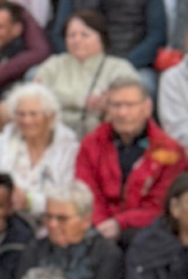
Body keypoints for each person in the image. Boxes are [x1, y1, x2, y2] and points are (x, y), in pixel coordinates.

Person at [11, 181, 124, 279]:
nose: (51, 224)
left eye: (61, 219)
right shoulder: (35, 248)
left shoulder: (106, 253)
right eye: (48, 217)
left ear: (85, 220)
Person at [78, 78, 185, 238]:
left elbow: (160, 204)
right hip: (95, 227)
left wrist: (120, 223)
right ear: (107, 108)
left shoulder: (170, 150)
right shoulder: (91, 144)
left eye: (130, 105)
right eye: (116, 105)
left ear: (146, 108)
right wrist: (101, 224)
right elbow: (86, 192)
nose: (122, 112)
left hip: (147, 232)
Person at [0, 84, 84, 216]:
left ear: (49, 116)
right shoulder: (1, 142)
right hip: (4, 217)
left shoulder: (69, 148)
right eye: (20, 114)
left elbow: (71, 197)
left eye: (33, 114)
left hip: (52, 221)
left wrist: (30, 201)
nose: (26, 120)